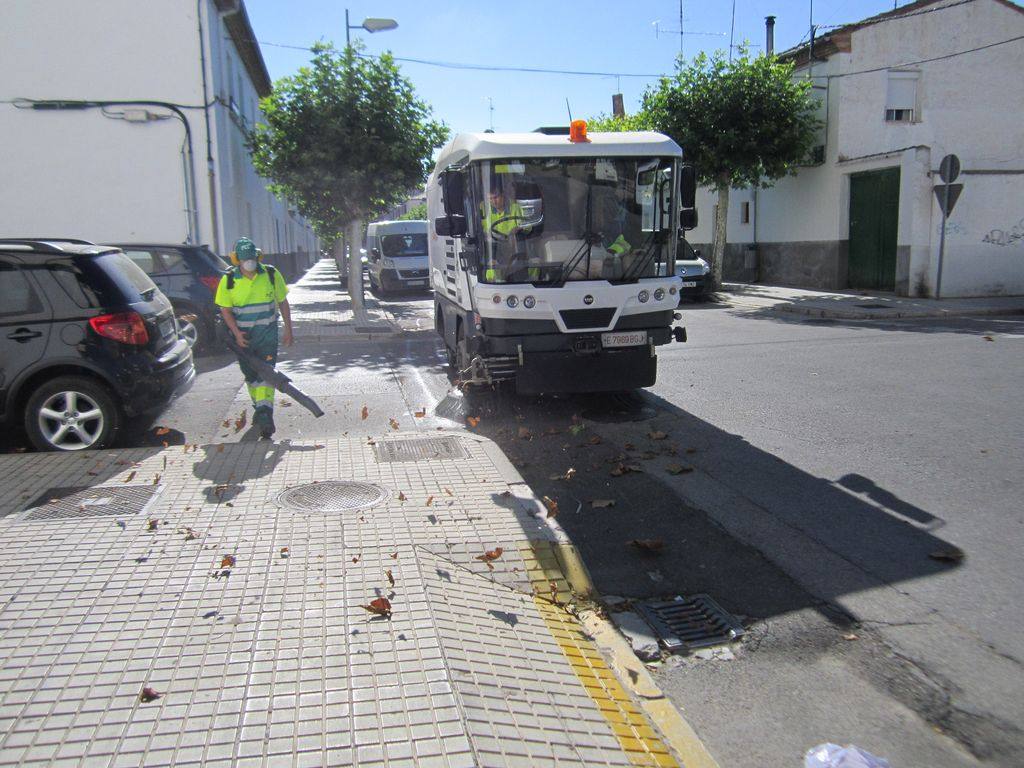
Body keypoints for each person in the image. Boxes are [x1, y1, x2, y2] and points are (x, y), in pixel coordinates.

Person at [215, 237, 294, 439]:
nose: (249, 262)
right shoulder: (229, 280)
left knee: (266, 374)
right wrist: (236, 333)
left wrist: (288, 329)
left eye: (252, 258)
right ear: (236, 260)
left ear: (257, 256)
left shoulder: (270, 273)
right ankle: (260, 409)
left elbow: (283, 302)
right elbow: (225, 310)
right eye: (245, 259)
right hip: (244, 339)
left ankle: (266, 415)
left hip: (267, 335)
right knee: (251, 375)